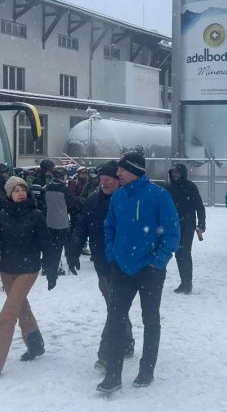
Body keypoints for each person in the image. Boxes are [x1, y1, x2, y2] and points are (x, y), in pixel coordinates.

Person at [96, 149, 180, 394]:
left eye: (121, 169)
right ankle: (113, 375)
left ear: (132, 171)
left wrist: (158, 261)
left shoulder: (159, 196)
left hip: (150, 270)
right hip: (122, 269)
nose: (118, 173)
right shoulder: (118, 197)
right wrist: (112, 253)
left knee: (150, 319)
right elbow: (109, 227)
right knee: (115, 320)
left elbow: (172, 232)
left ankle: (147, 369)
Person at [0, 176, 55, 377]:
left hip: (28, 269)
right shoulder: (2, 215)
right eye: (16, 190)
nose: (21, 193)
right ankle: (35, 344)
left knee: (8, 314)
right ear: (9, 194)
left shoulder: (36, 215)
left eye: (23, 189)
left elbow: (47, 243)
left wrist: (52, 268)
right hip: (7, 270)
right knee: (21, 307)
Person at [68, 161, 134, 371]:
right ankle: (126, 340)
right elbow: (81, 227)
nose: (104, 183)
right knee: (115, 305)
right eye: (102, 179)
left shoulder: (128, 200)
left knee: (115, 306)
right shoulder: (93, 201)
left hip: (123, 262)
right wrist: (73, 251)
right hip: (102, 263)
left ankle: (106, 353)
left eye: (109, 179)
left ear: (118, 180)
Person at [165, 163, 206, 294]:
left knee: (185, 253)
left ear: (183, 173)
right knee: (178, 253)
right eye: (173, 172)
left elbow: (199, 205)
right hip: (174, 225)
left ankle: (187, 283)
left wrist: (201, 223)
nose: (175, 174)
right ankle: (183, 282)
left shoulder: (190, 187)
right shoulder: (169, 188)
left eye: (177, 172)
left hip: (188, 224)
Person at [39, 167, 76, 278]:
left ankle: (45, 267)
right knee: (58, 247)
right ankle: (54, 268)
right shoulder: (65, 189)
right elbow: (71, 203)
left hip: (48, 221)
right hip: (61, 221)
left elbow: (42, 203)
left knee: (49, 246)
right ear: (62, 176)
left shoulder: (46, 187)